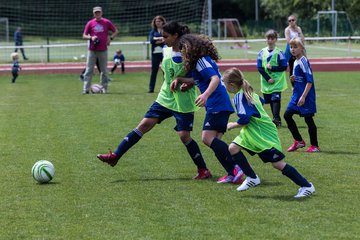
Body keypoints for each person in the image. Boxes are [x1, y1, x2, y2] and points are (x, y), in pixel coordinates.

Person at [97, 22, 212, 180]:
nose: (162, 39)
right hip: (165, 97)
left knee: (184, 136)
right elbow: (166, 71)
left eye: (165, 36)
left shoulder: (190, 53)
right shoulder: (165, 50)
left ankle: (203, 170)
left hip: (183, 100)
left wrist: (188, 82)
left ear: (175, 36)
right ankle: (115, 156)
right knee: (143, 125)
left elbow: (200, 76)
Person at [222, 67, 315, 198]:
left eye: (224, 84)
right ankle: (252, 178)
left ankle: (307, 186)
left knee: (277, 164)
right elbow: (261, 101)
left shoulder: (240, 97)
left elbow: (245, 119)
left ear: (231, 85)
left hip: (263, 134)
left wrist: (232, 124)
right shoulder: (248, 93)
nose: (224, 87)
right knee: (233, 148)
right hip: (252, 132)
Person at [171, 34, 244, 184]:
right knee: (216, 142)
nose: (182, 54)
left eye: (183, 50)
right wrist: (185, 82)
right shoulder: (199, 62)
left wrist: (205, 95)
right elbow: (200, 79)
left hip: (218, 103)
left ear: (190, 49)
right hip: (219, 104)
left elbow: (215, 79)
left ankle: (238, 167)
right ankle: (232, 173)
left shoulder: (201, 60)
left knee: (206, 138)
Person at [284, 37, 320, 153]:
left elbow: (309, 81)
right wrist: (294, 80)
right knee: (287, 115)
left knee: (308, 119)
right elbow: (300, 79)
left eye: (295, 47)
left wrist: (304, 96)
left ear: (302, 48)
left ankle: (315, 146)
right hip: (296, 95)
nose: (292, 49)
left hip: (306, 96)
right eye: (291, 47)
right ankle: (299, 141)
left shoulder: (304, 61)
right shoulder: (295, 61)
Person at [82, 6, 118, 94]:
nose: (97, 14)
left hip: (103, 50)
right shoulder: (90, 23)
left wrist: (110, 38)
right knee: (89, 70)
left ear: (101, 13)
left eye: (99, 12)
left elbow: (116, 31)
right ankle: (85, 89)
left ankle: (104, 88)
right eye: (95, 13)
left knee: (104, 70)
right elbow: (84, 35)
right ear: (93, 13)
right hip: (92, 50)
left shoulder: (106, 22)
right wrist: (91, 37)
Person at [257, 29, 288, 128]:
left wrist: (273, 68)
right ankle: (276, 118)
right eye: (268, 38)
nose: (270, 40)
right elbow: (259, 67)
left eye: (272, 38)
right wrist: (267, 78)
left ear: (275, 40)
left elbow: (284, 67)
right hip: (266, 82)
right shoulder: (262, 52)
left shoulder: (279, 52)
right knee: (269, 100)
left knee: (275, 99)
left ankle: (276, 119)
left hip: (277, 82)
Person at [148, 16, 166, 93]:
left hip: (165, 53)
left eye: (159, 21)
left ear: (162, 22)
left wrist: (157, 40)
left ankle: (167, 88)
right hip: (155, 54)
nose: (157, 23)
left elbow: (167, 39)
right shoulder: (152, 32)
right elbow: (152, 41)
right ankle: (151, 88)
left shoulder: (166, 30)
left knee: (165, 71)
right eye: (156, 21)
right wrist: (161, 39)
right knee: (154, 71)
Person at [284, 15, 305, 85]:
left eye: (293, 20)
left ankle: (301, 82)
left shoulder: (298, 28)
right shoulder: (287, 30)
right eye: (289, 21)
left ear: (295, 20)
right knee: (292, 67)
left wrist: (299, 32)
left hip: (300, 51)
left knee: (302, 66)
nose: (291, 22)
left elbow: (302, 39)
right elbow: (288, 41)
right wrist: (295, 46)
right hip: (291, 52)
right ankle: (293, 85)